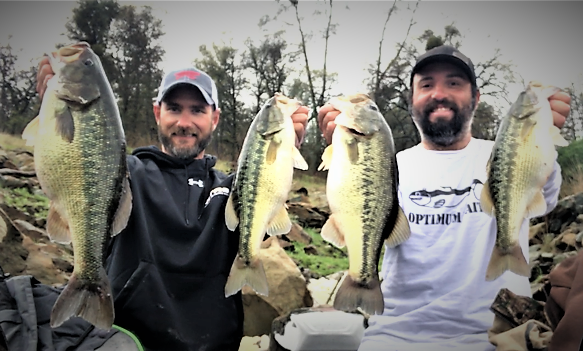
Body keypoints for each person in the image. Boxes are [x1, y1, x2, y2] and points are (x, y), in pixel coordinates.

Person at [22, 52, 309, 351]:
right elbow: (76, 164)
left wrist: (284, 150)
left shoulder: (232, 189)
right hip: (124, 344)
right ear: (158, 113)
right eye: (174, 108)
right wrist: (59, 115)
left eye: (197, 109)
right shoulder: (123, 172)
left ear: (215, 118)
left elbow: (263, 201)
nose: (184, 122)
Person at [318, 45, 571, 351]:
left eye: (454, 83)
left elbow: (544, 190)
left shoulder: (508, 152)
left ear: (476, 98)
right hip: (394, 335)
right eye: (426, 84)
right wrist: (339, 147)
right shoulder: (387, 165)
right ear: (412, 100)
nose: (439, 93)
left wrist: (542, 133)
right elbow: (352, 201)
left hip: (499, 336)